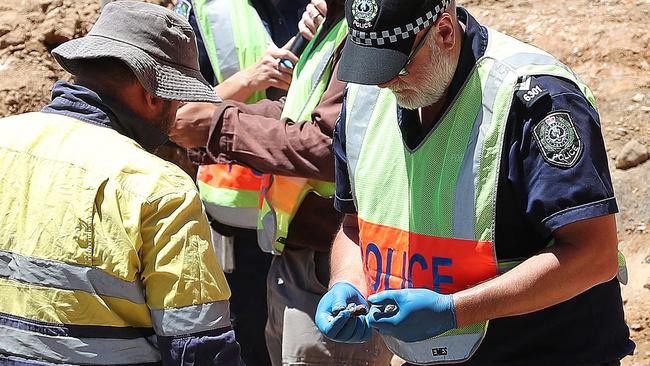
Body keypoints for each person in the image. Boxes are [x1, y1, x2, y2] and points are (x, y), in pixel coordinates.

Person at [316, 0, 635, 365]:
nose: (385, 82)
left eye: (399, 66)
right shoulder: (365, 100)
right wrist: (347, 282)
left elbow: (594, 255)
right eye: (373, 66)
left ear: (445, 32)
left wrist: (454, 310)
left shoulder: (530, 99)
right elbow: (356, 226)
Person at [0, 2, 243, 365]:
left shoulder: (6, 138)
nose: (177, 112)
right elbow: (197, 347)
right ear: (153, 95)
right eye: (176, 100)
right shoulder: (158, 187)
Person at [170, 1, 392, 365]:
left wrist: (220, 125)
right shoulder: (327, 21)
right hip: (277, 239)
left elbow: (328, 144)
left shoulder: (365, 23)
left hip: (337, 251)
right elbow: (296, 114)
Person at [173, 1, 305, 364]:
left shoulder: (332, 8)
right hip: (237, 219)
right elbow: (175, 115)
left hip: (316, 215)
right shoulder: (205, 12)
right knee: (247, 336)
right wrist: (250, 79)